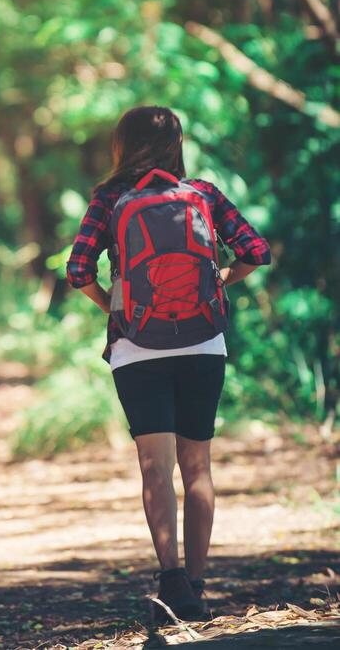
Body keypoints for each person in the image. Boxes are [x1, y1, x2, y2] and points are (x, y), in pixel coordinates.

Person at [66, 105, 271, 622]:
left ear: (121, 145)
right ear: (177, 144)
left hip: (137, 348)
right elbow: (256, 249)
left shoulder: (110, 199)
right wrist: (219, 282)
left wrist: (116, 306)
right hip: (204, 343)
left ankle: (172, 580)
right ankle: (198, 586)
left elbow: (78, 269)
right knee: (197, 465)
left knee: (154, 466)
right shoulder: (202, 194)